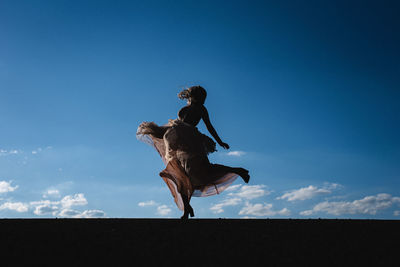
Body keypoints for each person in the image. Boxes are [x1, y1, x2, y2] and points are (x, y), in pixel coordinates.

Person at [137, 86, 249, 219]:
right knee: (181, 176)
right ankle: (186, 209)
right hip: (179, 142)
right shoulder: (188, 107)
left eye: (204, 98)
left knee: (204, 170)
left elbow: (209, 126)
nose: (203, 100)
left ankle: (238, 170)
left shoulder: (201, 109)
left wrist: (219, 141)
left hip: (191, 140)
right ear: (193, 96)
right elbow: (178, 125)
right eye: (201, 97)